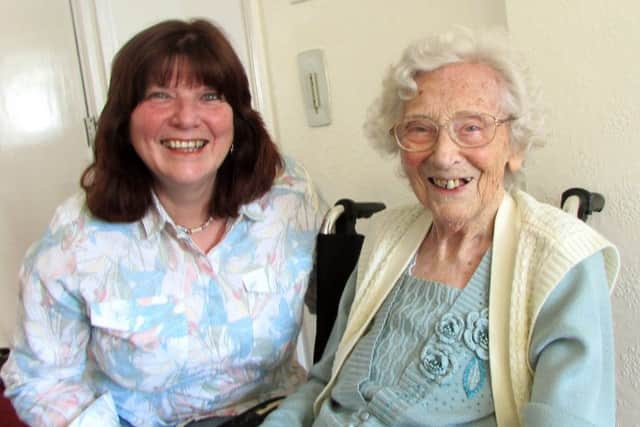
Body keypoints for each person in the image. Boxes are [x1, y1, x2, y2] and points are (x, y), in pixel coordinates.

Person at [261, 27, 620, 426]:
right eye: (419, 129)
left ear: (515, 146)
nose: (444, 155)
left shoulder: (561, 263)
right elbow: (323, 382)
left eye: (472, 127)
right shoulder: (385, 238)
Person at [0, 19, 325, 427]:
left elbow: (347, 309)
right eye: (160, 95)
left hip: (278, 416)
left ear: (236, 118)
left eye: (210, 95)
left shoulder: (290, 198)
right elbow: (41, 380)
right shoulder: (76, 239)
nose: (187, 118)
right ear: (125, 119)